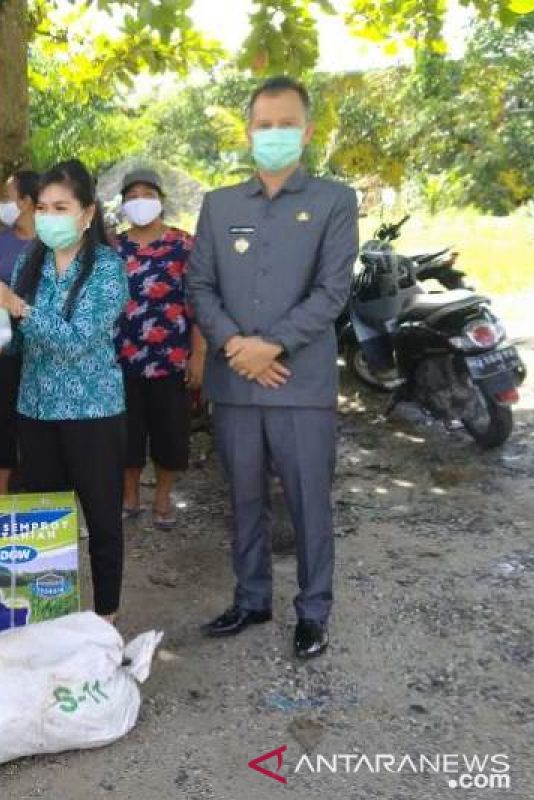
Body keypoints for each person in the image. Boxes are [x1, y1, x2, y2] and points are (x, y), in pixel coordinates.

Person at [186, 76, 358, 659]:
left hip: (300, 385)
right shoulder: (219, 204)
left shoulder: (334, 201)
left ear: (307, 132)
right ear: (248, 132)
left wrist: (272, 348)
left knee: (310, 502)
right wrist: (237, 345)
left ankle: (313, 612)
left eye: (287, 124)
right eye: (265, 124)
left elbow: (332, 291)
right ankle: (252, 597)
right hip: (236, 384)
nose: (275, 134)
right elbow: (200, 286)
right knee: (243, 499)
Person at [0, 159, 128, 622]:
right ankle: (51, 613)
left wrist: (17, 306)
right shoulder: (31, 259)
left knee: (102, 519)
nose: (48, 216)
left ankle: (106, 618)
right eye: (42, 207)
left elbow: (77, 342)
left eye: (61, 207)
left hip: (93, 411)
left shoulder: (106, 268)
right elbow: (20, 339)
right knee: (47, 521)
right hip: (36, 408)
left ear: (87, 213)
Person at [113, 168, 207, 529]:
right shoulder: (112, 248)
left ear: (161, 200)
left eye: (147, 194)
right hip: (121, 360)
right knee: (127, 434)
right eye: (132, 195)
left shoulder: (184, 245)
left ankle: (163, 499)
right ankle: (130, 496)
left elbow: (198, 303)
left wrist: (198, 354)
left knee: (170, 434)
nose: (140, 201)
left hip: (171, 360)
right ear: (123, 205)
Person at [0, 169, 39, 494]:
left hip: (42, 340)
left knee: (38, 421)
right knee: (5, 417)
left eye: (7, 196)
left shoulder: (51, 241)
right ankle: (2, 495)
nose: (2, 204)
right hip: (5, 342)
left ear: (28, 201)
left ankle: (39, 489)